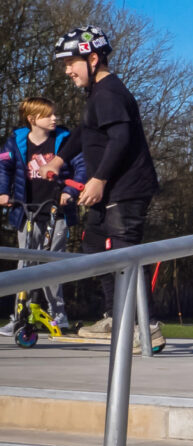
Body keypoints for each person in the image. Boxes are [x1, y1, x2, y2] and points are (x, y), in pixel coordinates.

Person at [40, 26, 163, 348]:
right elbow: (83, 133)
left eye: (71, 63)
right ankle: (115, 316)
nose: (67, 71)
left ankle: (146, 326)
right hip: (109, 190)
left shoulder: (109, 93)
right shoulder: (97, 95)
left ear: (93, 58)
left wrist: (98, 178)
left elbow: (121, 139)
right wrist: (58, 161)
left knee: (125, 256)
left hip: (126, 189)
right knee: (93, 249)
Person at [0, 97, 86, 336]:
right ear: (32, 119)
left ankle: (59, 315)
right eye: (48, 115)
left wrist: (69, 191)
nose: (54, 118)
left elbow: (81, 167)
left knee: (53, 262)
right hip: (25, 211)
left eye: (54, 114)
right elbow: (3, 168)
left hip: (56, 212)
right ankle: (19, 315)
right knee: (24, 263)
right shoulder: (15, 141)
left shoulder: (64, 139)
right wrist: (3, 193)